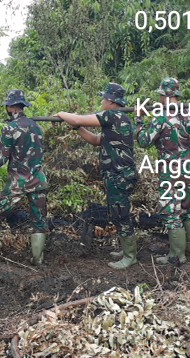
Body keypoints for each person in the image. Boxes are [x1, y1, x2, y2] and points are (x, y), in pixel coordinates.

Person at [55, 83, 139, 269]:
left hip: (119, 174)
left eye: (104, 98)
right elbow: (95, 141)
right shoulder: (122, 119)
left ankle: (130, 256)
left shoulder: (111, 116)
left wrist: (62, 114)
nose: (101, 101)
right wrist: (77, 129)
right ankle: (127, 250)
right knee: (118, 212)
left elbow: (77, 119)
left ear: (110, 101)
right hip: (120, 173)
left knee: (121, 213)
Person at [137, 78, 190, 265]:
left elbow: (144, 141)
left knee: (173, 214)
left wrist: (139, 119)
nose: (158, 98)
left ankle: (176, 256)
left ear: (166, 95)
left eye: (160, 95)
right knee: (187, 210)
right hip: (188, 169)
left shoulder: (161, 117)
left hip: (171, 171)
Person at [0, 90, 49, 265]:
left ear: (11, 107)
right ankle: (38, 260)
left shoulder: (10, 128)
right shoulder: (38, 127)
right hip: (39, 180)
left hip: (18, 182)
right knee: (39, 221)